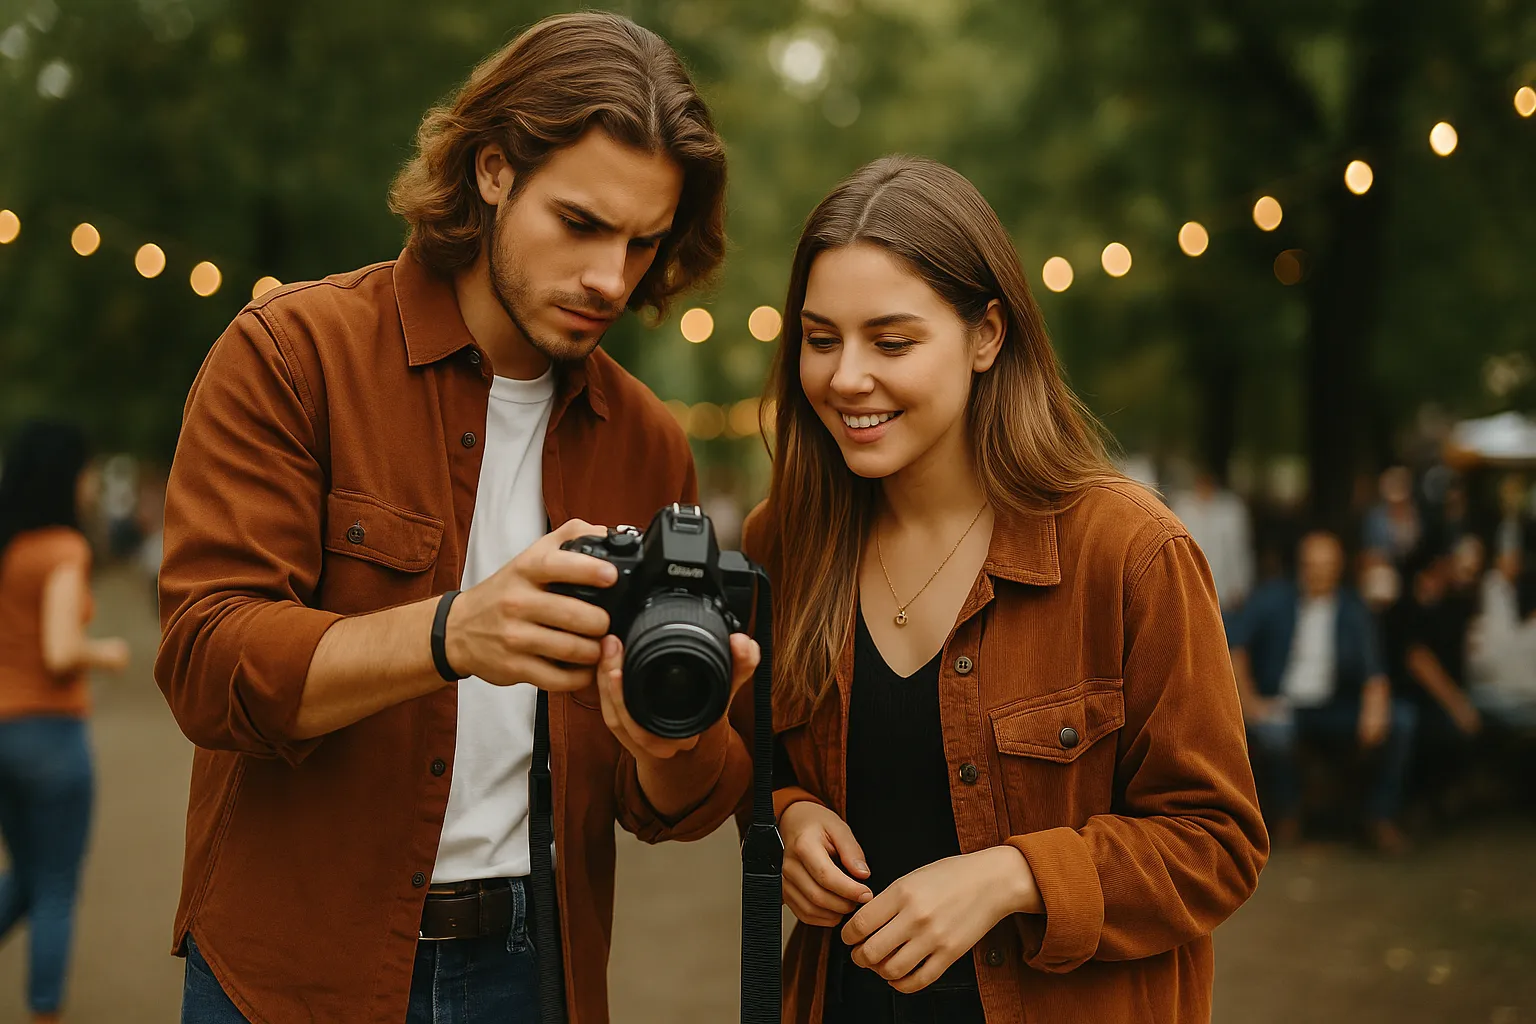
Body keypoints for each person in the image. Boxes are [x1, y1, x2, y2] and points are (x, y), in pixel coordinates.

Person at [155, 14, 758, 1024]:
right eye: (581, 223)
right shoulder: (292, 354)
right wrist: (451, 632)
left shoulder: (648, 442)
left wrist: (673, 736)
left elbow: (662, 804)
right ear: (490, 170)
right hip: (295, 961)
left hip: (538, 965)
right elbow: (209, 665)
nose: (613, 277)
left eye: (643, 241)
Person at [740, 156, 1267, 1024]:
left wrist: (1014, 875)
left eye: (893, 341)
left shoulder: (1129, 552)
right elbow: (761, 769)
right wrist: (790, 819)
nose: (845, 377)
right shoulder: (784, 543)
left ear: (987, 336)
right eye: (821, 337)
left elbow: (1218, 843)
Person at [0, 420, 131, 1024]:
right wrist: (107, 652)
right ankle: (44, 1014)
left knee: (27, 878)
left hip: (3, 732)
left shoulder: (11, 547)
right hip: (50, 737)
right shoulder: (62, 548)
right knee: (55, 889)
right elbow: (59, 649)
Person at [1229, 532, 1415, 853]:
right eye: (1311, 564)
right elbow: (1236, 646)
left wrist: (1374, 709)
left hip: (1333, 705)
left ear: (1338, 568)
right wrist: (1249, 701)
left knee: (1401, 720)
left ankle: (1379, 816)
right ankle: (1287, 817)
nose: (1318, 572)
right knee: (1275, 731)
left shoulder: (1353, 609)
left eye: (1326, 565)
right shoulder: (1274, 598)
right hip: (1283, 704)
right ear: (1300, 566)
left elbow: (1374, 672)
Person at [1385, 545, 1482, 808]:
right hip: (1407, 697)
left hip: (1443, 697)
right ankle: (1410, 805)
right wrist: (1458, 705)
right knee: (1415, 726)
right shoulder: (1404, 608)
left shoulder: (1452, 605)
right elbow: (1419, 662)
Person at [1170, 468, 1255, 615]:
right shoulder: (1183, 508)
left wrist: (1241, 586)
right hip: (1192, 595)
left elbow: (1240, 551)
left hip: (1226, 597)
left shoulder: (1231, 510)